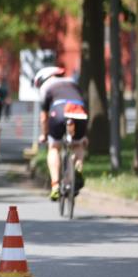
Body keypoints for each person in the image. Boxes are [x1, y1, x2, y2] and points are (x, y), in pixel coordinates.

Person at [35, 66, 89, 201]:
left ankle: (55, 186)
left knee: (54, 147)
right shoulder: (73, 82)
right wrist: (84, 135)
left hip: (58, 111)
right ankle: (78, 169)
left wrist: (44, 134)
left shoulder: (46, 87)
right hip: (78, 111)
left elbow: (44, 117)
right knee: (78, 145)